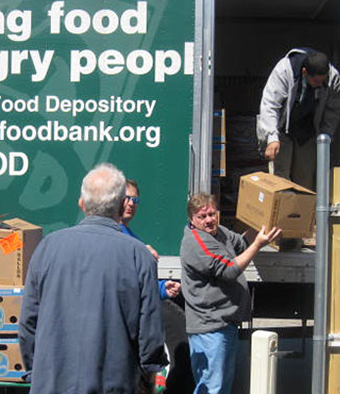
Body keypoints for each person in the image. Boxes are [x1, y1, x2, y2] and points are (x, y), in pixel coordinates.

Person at [19, 163, 167, 393]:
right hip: (113, 383)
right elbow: (149, 329)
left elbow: (29, 319)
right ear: (121, 205)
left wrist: (36, 371)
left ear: (81, 203)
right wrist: (148, 373)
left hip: (51, 382)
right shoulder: (139, 255)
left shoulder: (47, 247)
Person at [180, 193, 281, 394]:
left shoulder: (219, 233)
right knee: (211, 388)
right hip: (209, 328)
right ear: (192, 219)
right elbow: (229, 270)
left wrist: (265, 224)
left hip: (225, 324)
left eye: (211, 214)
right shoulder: (196, 242)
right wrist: (258, 245)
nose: (209, 220)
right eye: (202, 216)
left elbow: (242, 243)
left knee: (222, 387)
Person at [257, 48, 340, 190]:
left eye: (323, 81)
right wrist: (272, 137)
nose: (320, 84)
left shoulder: (333, 78)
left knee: (305, 180)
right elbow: (270, 104)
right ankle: (282, 209)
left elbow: (333, 110)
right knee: (280, 177)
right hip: (283, 129)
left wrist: (326, 135)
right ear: (304, 72)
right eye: (316, 81)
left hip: (309, 132)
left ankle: (301, 211)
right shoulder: (284, 71)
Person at [121, 179, 181, 299]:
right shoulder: (110, 234)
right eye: (126, 198)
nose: (131, 204)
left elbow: (138, 283)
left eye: (135, 200)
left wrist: (163, 288)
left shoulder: (134, 238)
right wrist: (139, 252)